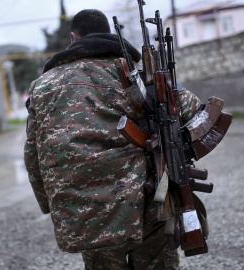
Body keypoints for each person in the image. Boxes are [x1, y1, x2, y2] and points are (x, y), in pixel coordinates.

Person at [24, 9, 203, 269]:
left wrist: (51, 204)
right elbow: (197, 112)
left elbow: (33, 156)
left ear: (74, 37)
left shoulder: (42, 87)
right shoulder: (136, 75)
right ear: (107, 34)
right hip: (145, 203)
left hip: (85, 211)